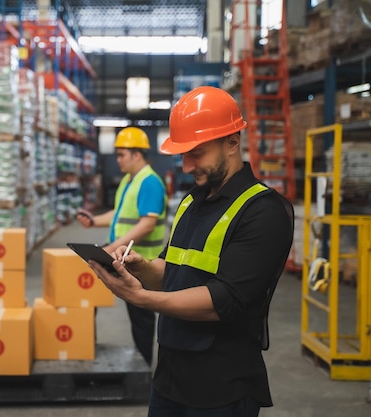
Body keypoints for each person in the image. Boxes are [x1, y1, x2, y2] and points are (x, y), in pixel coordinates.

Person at [87, 86, 294, 416]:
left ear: (231, 142)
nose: (185, 166)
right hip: (170, 376)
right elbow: (172, 273)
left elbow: (224, 301)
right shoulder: (191, 203)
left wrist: (141, 298)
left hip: (222, 387)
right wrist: (141, 269)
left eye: (196, 153)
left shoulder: (263, 212)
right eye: (182, 155)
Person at [75, 126, 166, 366]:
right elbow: (119, 214)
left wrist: (112, 246)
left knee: (141, 317)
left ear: (137, 154)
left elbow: (147, 224)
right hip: (122, 255)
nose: (118, 159)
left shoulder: (150, 183)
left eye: (121, 154)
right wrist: (94, 221)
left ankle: (145, 366)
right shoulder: (129, 180)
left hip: (142, 262)